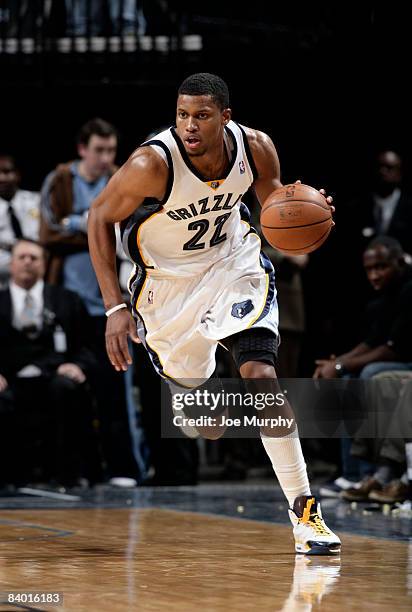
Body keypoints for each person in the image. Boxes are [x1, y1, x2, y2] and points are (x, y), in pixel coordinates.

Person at [88, 72, 341, 554]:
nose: (189, 125)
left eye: (201, 116)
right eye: (182, 114)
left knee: (262, 378)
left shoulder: (256, 147)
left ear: (225, 117)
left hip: (232, 265)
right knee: (208, 425)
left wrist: (304, 212)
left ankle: (306, 515)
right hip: (168, 289)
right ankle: (190, 400)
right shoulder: (150, 163)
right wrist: (114, 307)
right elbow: (98, 217)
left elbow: (274, 209)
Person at [40, 117, 140, 487]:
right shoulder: (61, 180)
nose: (105, 157)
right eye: (98, 149)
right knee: (71, 386)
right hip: (69, 303)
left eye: (111, 150)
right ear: (82, 149)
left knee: (118, 391)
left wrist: (80, 225)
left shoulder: (123, 179)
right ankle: (76, 469)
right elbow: (48, 231)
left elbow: (128, 235)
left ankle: (125, 468)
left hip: (111, 303)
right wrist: (95, 227)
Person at [315, 236, 412, 498]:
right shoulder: (382, 300)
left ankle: (371, 471)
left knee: (368, 374)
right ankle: (354, 473)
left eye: (381, 267)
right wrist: (338, 363)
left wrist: (339, 366)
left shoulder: (408, 291)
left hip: (406, 361)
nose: (375, 275)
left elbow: (391, 348)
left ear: (400, 262)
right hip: (398, 362)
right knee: (351, 376)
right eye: (369, 269)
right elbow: (370, 343)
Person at [0, 239, 98, 487]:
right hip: (9, 378)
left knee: (66, 389)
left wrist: (78, 366)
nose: (27, 262)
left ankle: (67, 474)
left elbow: (88, 345)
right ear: (11, 264)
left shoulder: (67, 300)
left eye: (34, 257)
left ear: (44, 264)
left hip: (53, 375)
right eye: (22, 257)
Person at [0, 154, 40, 288]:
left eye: (6, 172)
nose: (2, 178)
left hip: (36, 267)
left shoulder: (36, 201)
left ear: (17, 175)